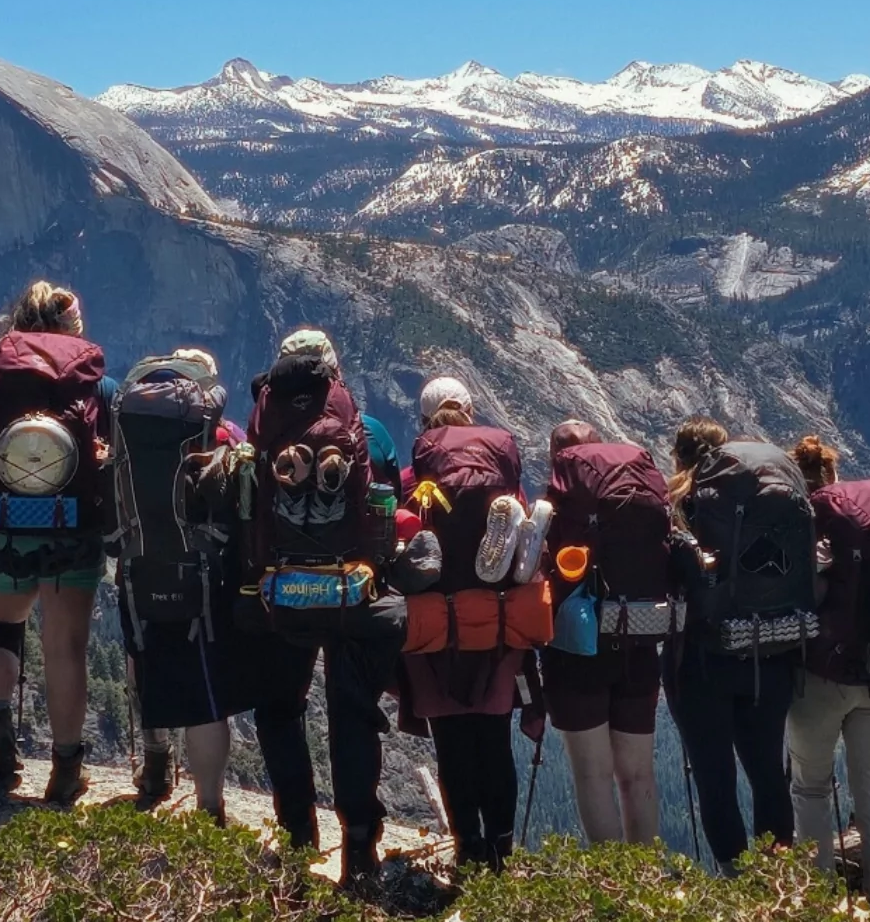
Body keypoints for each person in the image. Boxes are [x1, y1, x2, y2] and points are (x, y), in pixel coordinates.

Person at [242, 328, 407, 892]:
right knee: (352, 713)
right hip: (351, 592)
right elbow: (393, 503)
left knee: (280, 709)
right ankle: (358, 845)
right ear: (335, 376)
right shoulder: (368, 432)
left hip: (281, 590)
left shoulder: (261, 433)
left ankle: (295, 833)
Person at [394, 377, 543, 871]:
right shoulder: (502, 481)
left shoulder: (416, 481)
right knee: (494, 743)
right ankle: (501, 848)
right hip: (496, 627)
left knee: (453, 745)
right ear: (471, 413)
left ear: (424, 421)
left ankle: (468, 848)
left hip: (437, 631)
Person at [0, 281, 111, 804]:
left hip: (8, 523)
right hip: (71, 530)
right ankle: (65, 768)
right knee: (65, 649)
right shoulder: (97, 384)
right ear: (74, 331)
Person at [112, 349, 256, 824]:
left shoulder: (129, 431)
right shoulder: (221, 436)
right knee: (205, 692)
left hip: (137, 567)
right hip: (200, 575)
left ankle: (154, 766)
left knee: (144, 660)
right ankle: (208, 806)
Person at [664, 415, 799, 870]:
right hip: (773, 651)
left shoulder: (683, 506)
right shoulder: (766, 497)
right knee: (767, 771)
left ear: (680, 456)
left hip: (704, 659)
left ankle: (734, 878)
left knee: (714, 775)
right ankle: (778, 877)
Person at [785, 435, 870, 920]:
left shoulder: (800, 522)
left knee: (810, 788)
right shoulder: (869, 520)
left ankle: (817, 905)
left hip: (818, 676)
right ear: (833, 474)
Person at [540, 418, 666, 847]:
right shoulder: (632, 487)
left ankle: (613, 888)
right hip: (639, 636)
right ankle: (646, 882)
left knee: (593, 774)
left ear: (558, 456)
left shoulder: (558, 502)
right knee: (638, 773)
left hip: (577, 651)